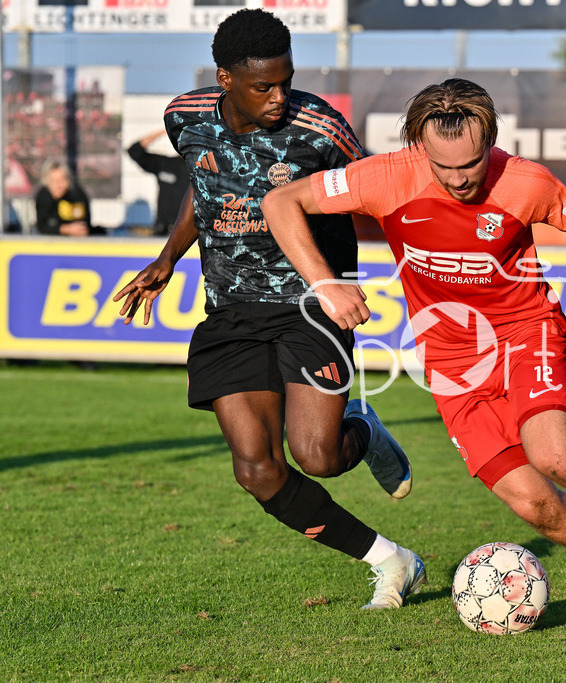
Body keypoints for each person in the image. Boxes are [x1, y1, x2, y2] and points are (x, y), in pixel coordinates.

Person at [262, 77, 566, 618]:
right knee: (532, 502)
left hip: (525, 331)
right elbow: (280, 201)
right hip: (451, 360)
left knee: (557, 457)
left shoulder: (524, 182)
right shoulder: (387, 177)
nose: (461, 180)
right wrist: (326, 282)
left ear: (490, 143)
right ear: (420, 149)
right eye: (445, 168)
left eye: (472, 164)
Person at [110, 8, 425, 609]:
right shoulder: (185, 118)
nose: (280, 96)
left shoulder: (321, 129)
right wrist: (168, 258)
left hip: (311, 306)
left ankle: (363, 430)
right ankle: (392, 560)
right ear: (225, 78)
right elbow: (203, 190)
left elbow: (368, 195)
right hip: (231, 312)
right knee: (256, 471)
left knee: (318, 456)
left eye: (286, 80)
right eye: (264, 86)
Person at [126, 130, 191, 236]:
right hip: (163, 230)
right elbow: (134, 151)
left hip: (189, 234)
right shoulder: (165, 164)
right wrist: (164, 131)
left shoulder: (201, 168)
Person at [35, 162, 94, 236]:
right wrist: (66, 229)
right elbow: (42, 226)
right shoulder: (43, 197)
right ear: (47, 182)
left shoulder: (76, 195)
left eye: (62, 180)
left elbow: (83, 226)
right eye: (54, 181)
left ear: (68, 180)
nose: (58, 185)